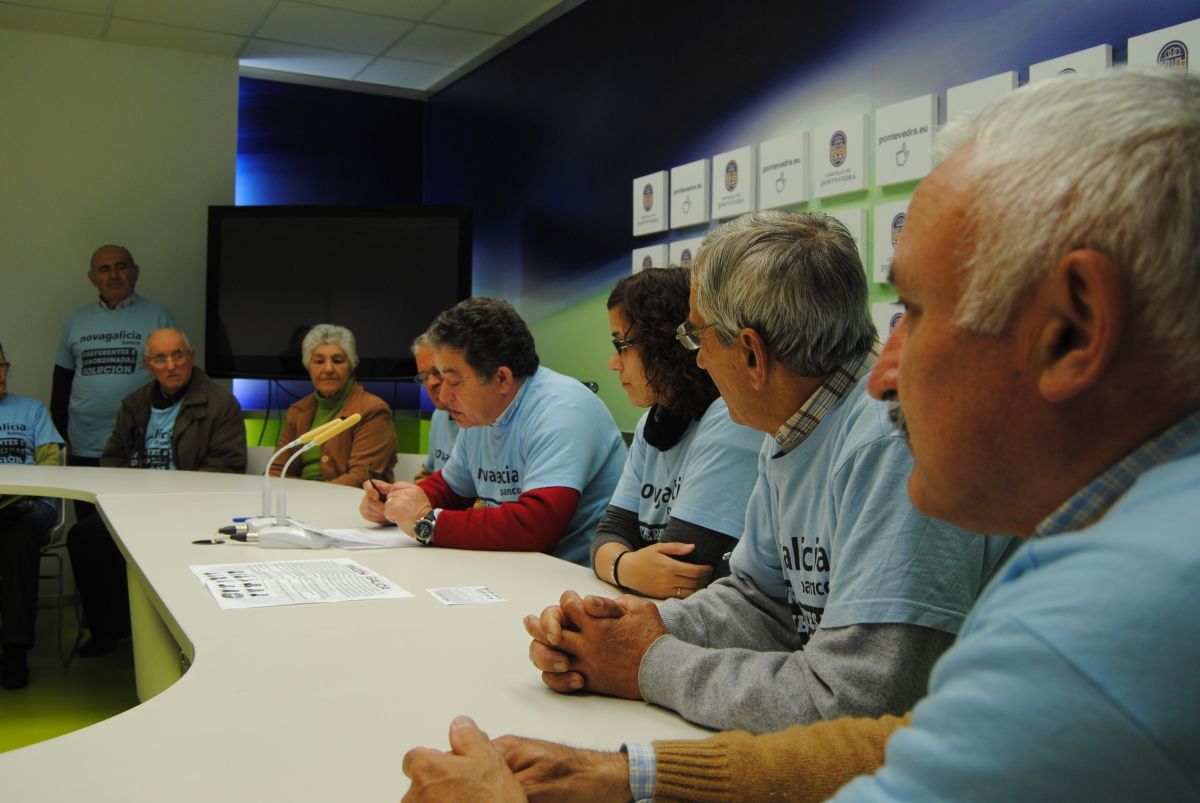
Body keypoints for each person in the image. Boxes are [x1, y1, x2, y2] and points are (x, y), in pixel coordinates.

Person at [401, 69, 1200, 803]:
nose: (886, 376)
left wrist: (631, 682)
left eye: (915, 313)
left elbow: (864, 696)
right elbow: (862, 708)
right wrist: (635, 750)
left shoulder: (1122, 607)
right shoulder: (1126, 540)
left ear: (1073, 329)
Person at [528, 211, 1016, 733]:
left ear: (752, 354)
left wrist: (646, 664)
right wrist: (639, 626)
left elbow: (857, 700)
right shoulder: (792, 419)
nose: (697, 363)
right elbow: (763, 603)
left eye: (699, 340)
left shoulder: (890, 437)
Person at [359, 297, 626, 567]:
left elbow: (535, 527)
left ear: (501, 379)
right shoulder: (480, 413)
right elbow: (452, 488)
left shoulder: (563, 410)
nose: (443, 394)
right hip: (520, 568)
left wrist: (426, 522)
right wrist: (397, 503)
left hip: (576, 578)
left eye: (454, 382)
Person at [67, 328, 247, 657]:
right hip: (136, 508)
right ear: (148, 364)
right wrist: (135, 499)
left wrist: (171, 500)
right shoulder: (135, 404)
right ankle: (109, 630)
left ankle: (183, 637)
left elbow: (228, 467)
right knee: (85, 536)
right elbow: (112, 459)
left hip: (194, 512)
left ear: (191, 358)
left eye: (178, 355)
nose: (171, 365)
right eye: (161, 359)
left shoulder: (220, 403)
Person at [594, 268, 761, 599]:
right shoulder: (653, 423)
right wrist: (624, 566)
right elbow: (609, 533)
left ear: (664, 343)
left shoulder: (730, 417)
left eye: (621, 344)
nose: (613, 363)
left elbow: (684, 567)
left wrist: (617, 563)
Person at [50, 245, 176, 476]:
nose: (113, 275)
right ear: (92, 278)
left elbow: (175, 382)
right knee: (87, 512)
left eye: (121, 267)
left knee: (135, 511)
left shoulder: (159, 317)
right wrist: (60, 437)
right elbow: (61, 384)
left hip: (141, 442)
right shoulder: (76, 320)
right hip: (85, 443)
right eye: (104, 269)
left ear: (135, 272)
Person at [0, 341, 64, 689]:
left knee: (20, 528)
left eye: (2, 365)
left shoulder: (33, 411)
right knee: (12, 537)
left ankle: (14, 651)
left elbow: (51, 466)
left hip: (32, 506)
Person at [269, 324, 397, 487]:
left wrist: (307, 495)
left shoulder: (373, 410)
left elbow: (360, 478)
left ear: (350, 365)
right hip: (299, 502)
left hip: (351, 504)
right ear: (308, 366)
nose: (328, 369)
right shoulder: (298, 410)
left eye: (337, 361)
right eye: (319, 361)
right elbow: (275, 470)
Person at [412, 332, 459, 481]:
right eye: (424, 377)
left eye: (437, 372)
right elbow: (427, 473)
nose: (431, 383)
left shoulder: (484, 420)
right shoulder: (439, 415)